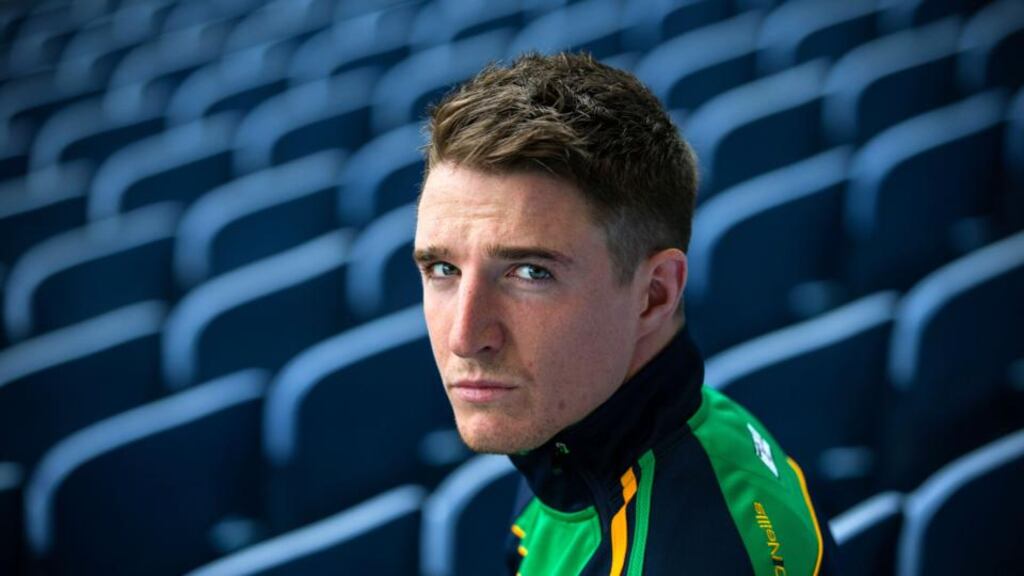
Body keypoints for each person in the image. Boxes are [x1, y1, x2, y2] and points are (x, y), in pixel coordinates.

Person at [413, 52, 838, 575]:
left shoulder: (689, 553)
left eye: (530, 273)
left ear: (656, 295)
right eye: (442, 269)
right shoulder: (584, 433)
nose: (464, 336)